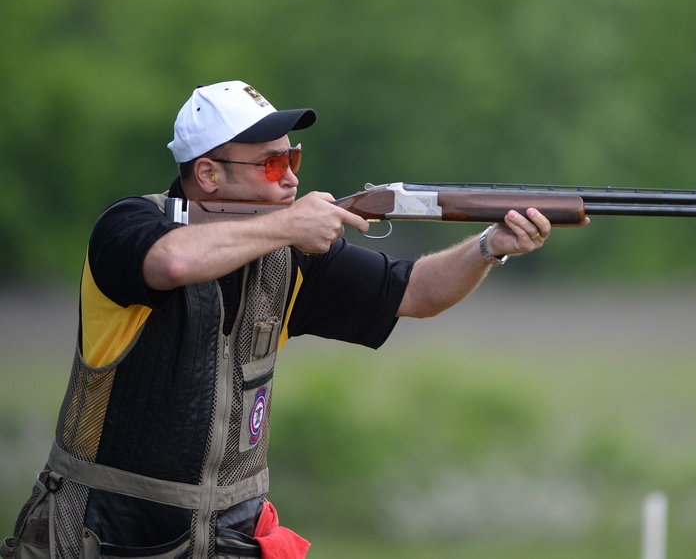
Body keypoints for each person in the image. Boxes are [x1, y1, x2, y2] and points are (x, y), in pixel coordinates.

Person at [1, 80, 584, 559]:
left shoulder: (292, 255)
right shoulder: (127, 226)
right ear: (207, 175)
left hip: (230, 537)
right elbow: (173, 260)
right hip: (105, 534)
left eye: (294, 157)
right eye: (273, 162)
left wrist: (490, 244)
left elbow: (416, 292)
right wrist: (288, 226)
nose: (292, 176)